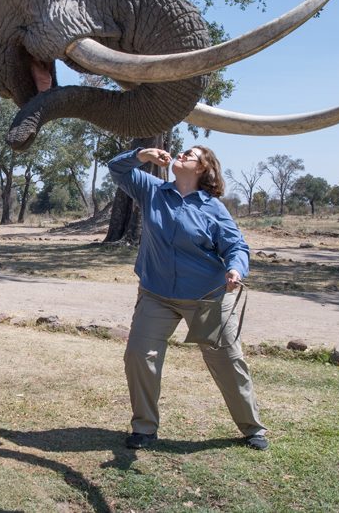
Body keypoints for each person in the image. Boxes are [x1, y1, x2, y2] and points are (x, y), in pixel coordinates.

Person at [108, 145, 268, 451]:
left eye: (190, 154)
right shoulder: (152, 190)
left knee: (228, 362)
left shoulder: (213, 207)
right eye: (182, 151)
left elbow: (235, 246)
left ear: (202, 169)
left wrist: (236, 269)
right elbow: (117, 169)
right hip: (157, 295)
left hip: (206, 297)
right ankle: (144, 428)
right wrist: (142, 155)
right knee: (139, 355)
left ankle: (252, 428)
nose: (181, 154)